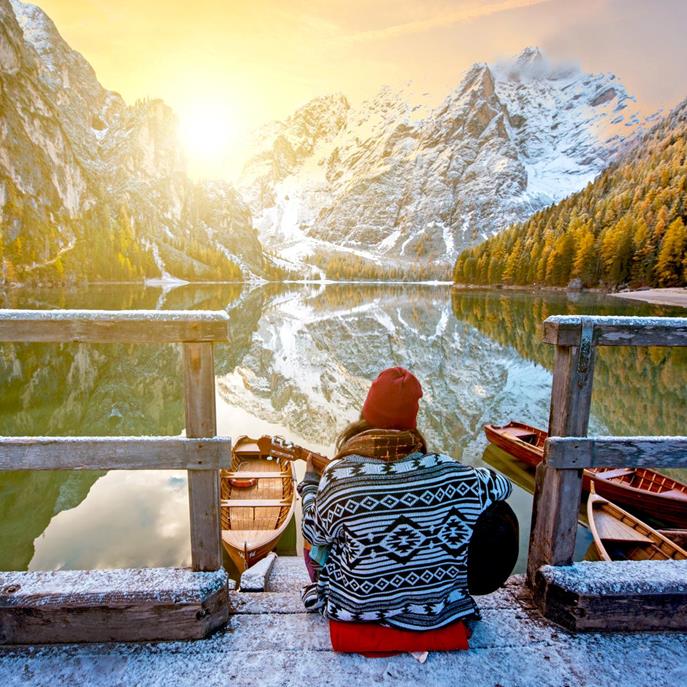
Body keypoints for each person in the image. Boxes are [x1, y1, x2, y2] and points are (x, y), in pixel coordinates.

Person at [296, 366, 514, 654]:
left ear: (365, 417)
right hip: (439, 613)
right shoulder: (453, 473)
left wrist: (310, 486)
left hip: (353, 611)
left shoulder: (339, 474)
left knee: (316, 535)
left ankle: (340, 591)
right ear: (413, 421)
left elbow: (312, 530)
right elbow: (504, 487)